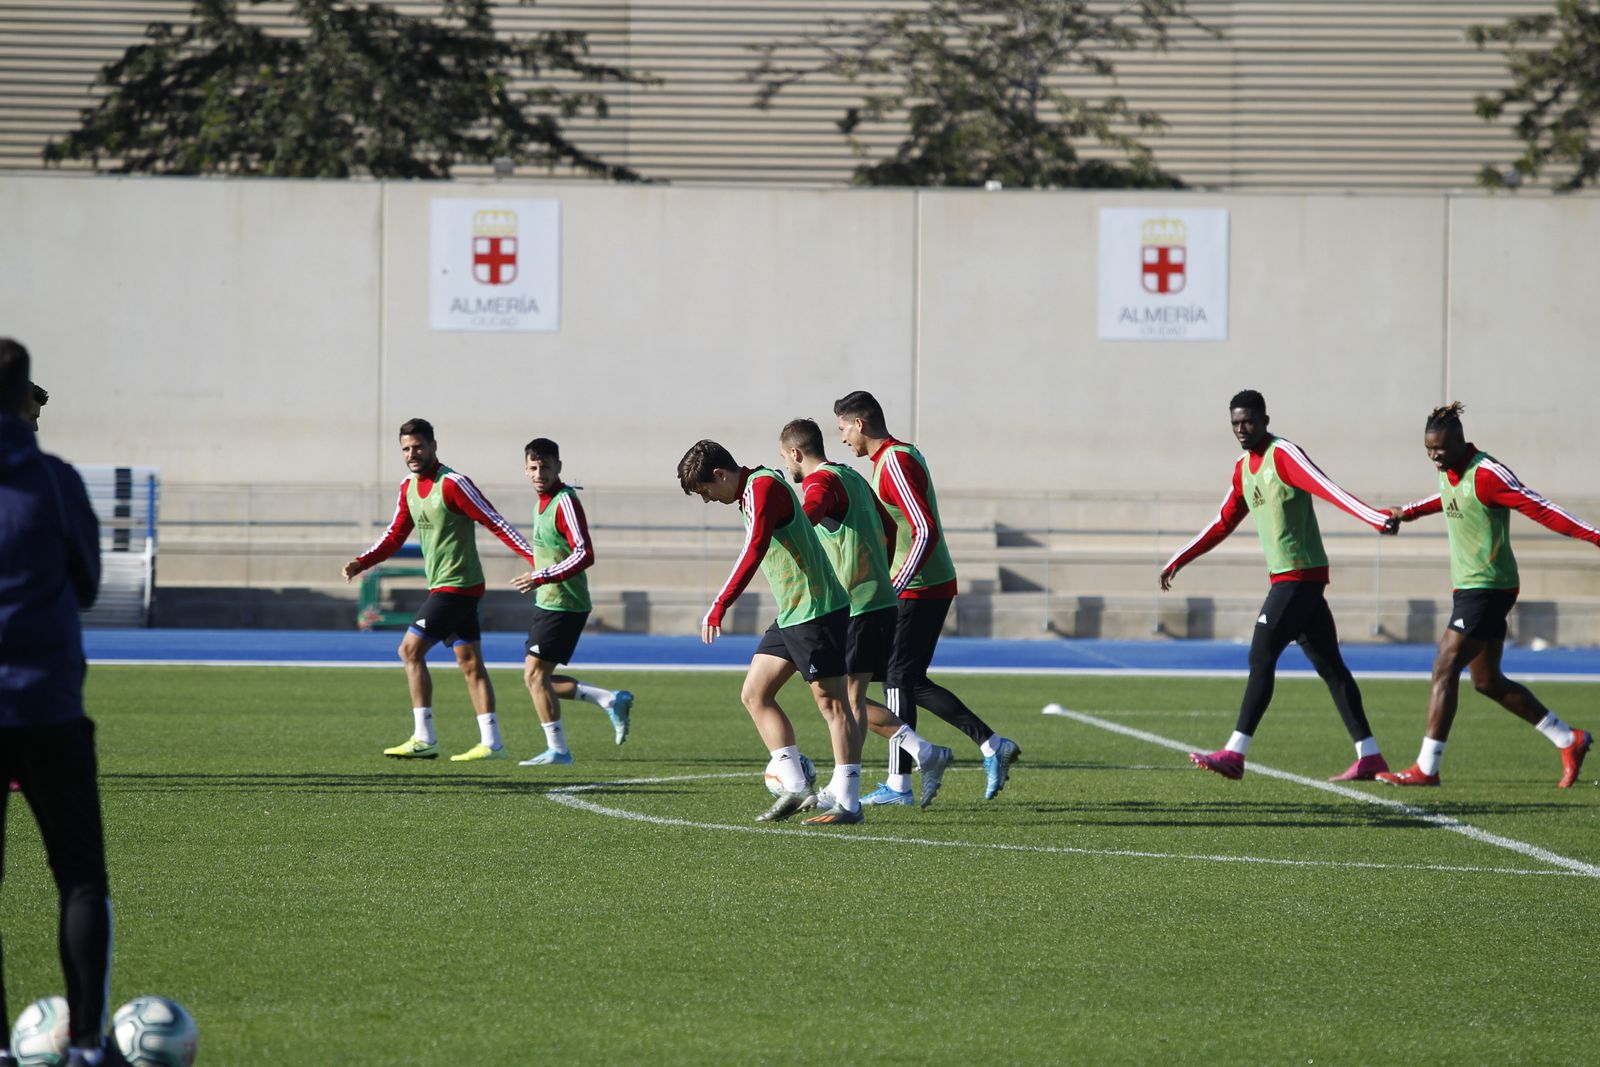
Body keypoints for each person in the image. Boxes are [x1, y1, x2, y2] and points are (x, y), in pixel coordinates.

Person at [1159, 389, 1395, 781]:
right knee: (1331, 668)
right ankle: (1369, 754)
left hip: (1298, 578)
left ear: (1266, 419)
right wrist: (1180, 558)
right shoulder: (1242, 468)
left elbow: (1328, 488)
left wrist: (1375, 518)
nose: (1241, 428)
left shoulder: (1283, 455)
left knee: (1261, 656)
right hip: (1295, 579)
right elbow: (1223, 522)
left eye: (1249, 420)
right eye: (1235, 423)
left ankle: (1235, 753)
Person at [0, 339, 121, 1067]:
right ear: (24, 396)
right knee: (78, 876)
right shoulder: (53, 480)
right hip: (45, 703)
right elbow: (86, 582)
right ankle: (83, 1045)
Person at [1378, 402, 1595, 787]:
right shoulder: (1450, 470)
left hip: (1488, 587)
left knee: (1444, 665)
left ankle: (1427, 768)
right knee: (1487, 681)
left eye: (1439, 450)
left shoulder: (1488, 474)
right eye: (1428, 450)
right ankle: (1568, 739)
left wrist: (1595, 537)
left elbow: (1542, 508)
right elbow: (1445, 499)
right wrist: (1406, 512)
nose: (1433, 457)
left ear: (1460, 441)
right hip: (1472, 588)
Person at [834, 390, 1021, 801]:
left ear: (860, 424)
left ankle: (901, 783)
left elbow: (923, 528)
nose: (843, 438)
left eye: (844, 428)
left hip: (920, 587)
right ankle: (990, 745)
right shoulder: (891, 459)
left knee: (897, 679)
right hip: (918, 585)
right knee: (902, 679)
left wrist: (897, 583)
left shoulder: (895, 460)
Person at [678, 439, 863, 825]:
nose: (708, 500)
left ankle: (848, 803)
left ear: (719, 474)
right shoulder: (750, 491)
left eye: (705, 491)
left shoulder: (762, 486)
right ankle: (796, 787)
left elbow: (754, 547)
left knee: (832, 706)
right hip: (793, 613)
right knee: (755, 694)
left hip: (817, 610)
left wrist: (719, 604)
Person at [778, 418, 953, 809]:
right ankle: (922, 753)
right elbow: (890, 527)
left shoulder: (820, 482)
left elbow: (806, 517)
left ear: (794, 453)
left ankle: (847, 795)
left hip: (854, 603)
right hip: (864, 599)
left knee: (845, 700)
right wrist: (878, 570)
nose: (843, 435)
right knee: (841, 697)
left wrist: (778, 528)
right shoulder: (854, 476)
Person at [343, 418, 540, 762]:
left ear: (434, 445)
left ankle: (424, 737)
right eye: (406, 448)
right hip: (448, 586)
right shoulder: (408, 487)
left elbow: (494, 520)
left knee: (409, 651)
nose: (412, 453)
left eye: (418, 446)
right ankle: (491, 741)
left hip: (458, 586)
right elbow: (394, 534)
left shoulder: (453, 484)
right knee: (469, 662)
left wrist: (532, 558)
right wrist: (364, 561)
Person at [508, 438, 633, 766]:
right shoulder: (541, 503)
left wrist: (541, 576)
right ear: (525, 469)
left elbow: (584, 553)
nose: (539, 473)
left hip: (565, 603)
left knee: (535, 677)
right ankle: (609, 699)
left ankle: (559, 750)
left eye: (545, 466)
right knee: (538, 679)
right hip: (549, 601)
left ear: (558, 467)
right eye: (533, 467)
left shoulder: (564, 501)